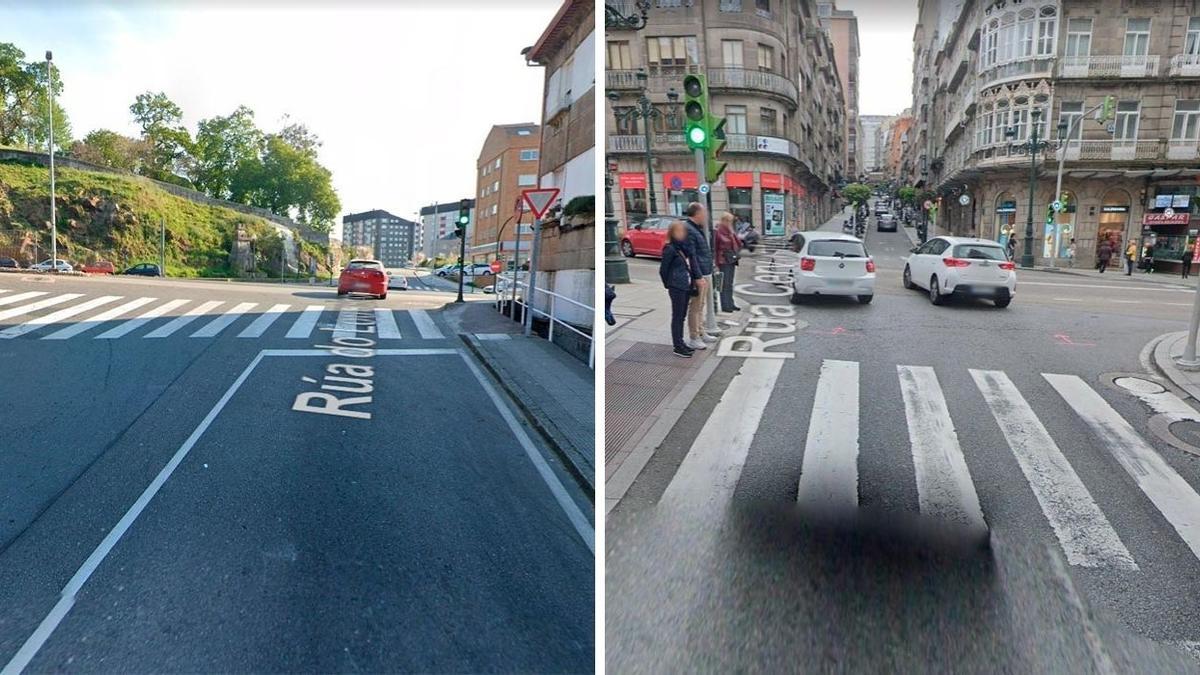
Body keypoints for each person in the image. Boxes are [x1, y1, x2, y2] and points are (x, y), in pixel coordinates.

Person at [659, 221, 697, 358]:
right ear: (672, 233)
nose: (682, 234)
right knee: (677, 316)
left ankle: (681, 342)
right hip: (677, 286)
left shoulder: (681, 248)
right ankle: (678, 345)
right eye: (678, 231)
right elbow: (663, 270)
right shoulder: (670, 249)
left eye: (683, 231)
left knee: (681, 316)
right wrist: (669, 284)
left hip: (685, 285)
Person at [683, 202, 718, 349]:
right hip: (700, 274)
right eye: (704, 213)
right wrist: (698, 277)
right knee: (696, 306)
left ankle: (701, 332)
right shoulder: (689, 229)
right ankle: (694, 336)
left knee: (701, 305)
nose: (706, 216)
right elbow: (692, 255)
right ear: (697, 214)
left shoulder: (696, 228)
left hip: (705, 270)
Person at [713, 212, 743, 313]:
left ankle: (731, 303)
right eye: (729, 221)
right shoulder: (718, 231)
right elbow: (715, 248)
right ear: (724, 220)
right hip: (723, 260)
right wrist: (716, 263)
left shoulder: (730, 231)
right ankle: (725, 305)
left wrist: (733, 233)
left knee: (729, 283)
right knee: (723, 284)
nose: (730, 223)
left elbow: (738, 243)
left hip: (731, 259)